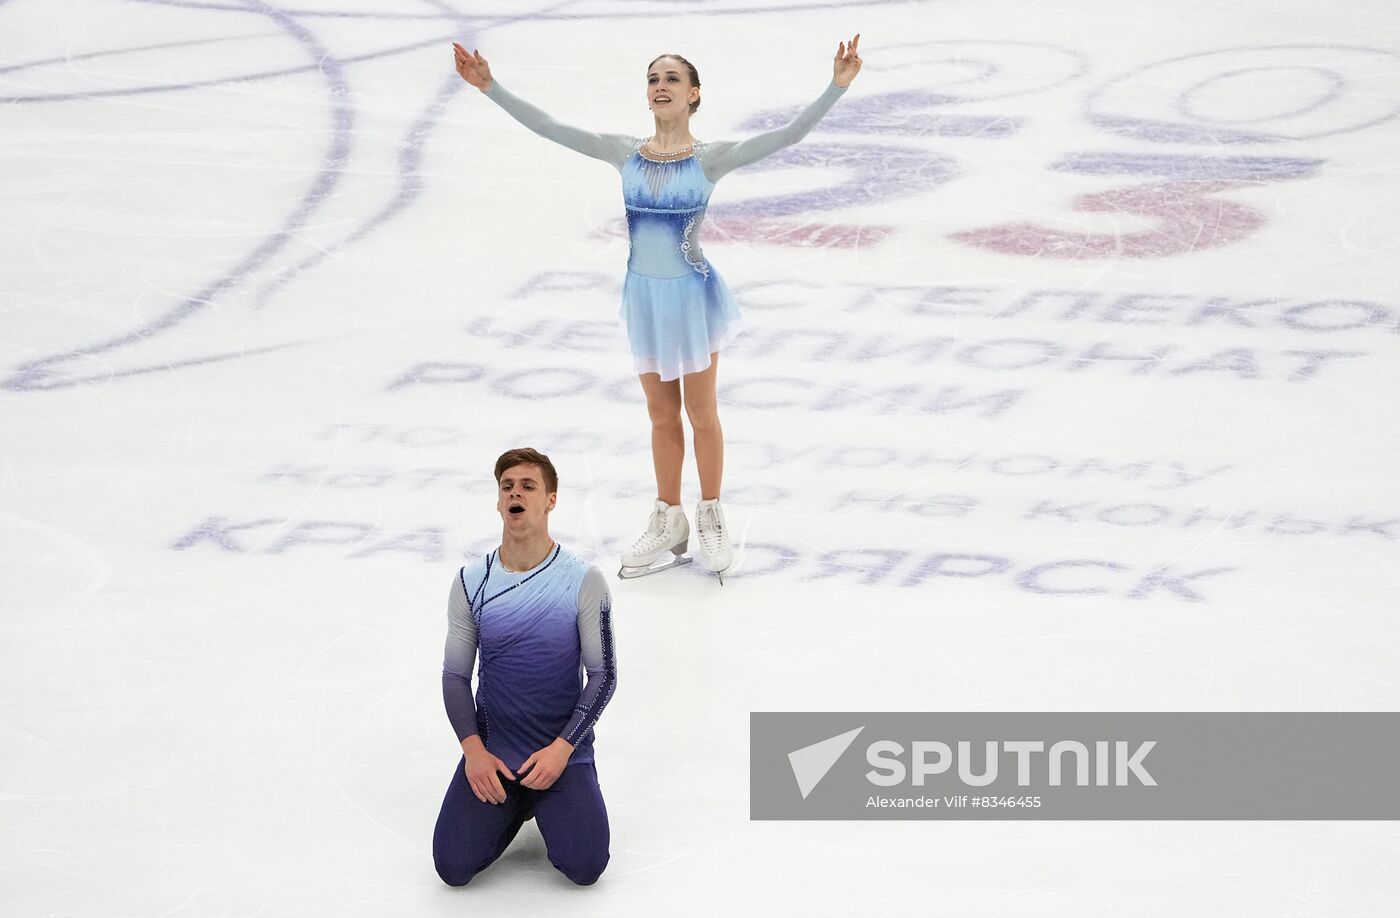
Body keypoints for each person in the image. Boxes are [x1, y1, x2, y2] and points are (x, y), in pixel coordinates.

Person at [451, 37, 863, 581]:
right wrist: (490, 88)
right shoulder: (623, 152)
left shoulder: (711, 158)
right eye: (653, 79)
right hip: (644, 296)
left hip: (691, 298)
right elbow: (551, 127)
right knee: (661, 415)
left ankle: (710, 512)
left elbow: (787, 136)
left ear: (694, 95)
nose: (660, 86)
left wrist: (836, 86)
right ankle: (669, 515)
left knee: (701, 412)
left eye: (671, 79)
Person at [433, 447, 617, 887]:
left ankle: (550, 797)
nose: (516, 494)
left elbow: (604, 675)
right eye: (507, 487)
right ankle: (517, 803)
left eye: (528, 486)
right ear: (499, 502)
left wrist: (563, 749)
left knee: (585, 867)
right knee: (452, 868)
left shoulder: (582, 580)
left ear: (550, 499)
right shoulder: (470, 581)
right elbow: (455, 676)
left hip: (559, 752)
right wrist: (474, 753)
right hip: (495, 752)